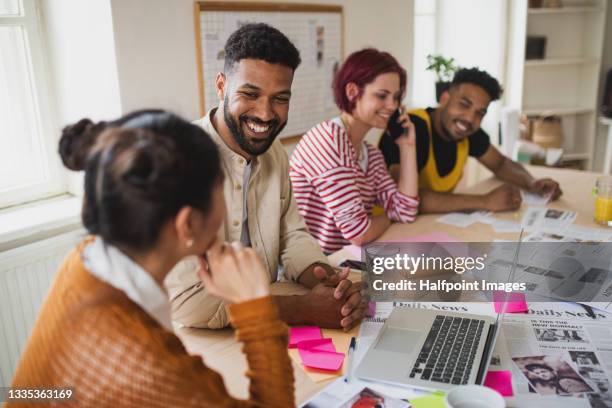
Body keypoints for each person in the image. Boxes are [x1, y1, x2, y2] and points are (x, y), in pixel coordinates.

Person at [9, 110, 295, 407]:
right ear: (187, 224)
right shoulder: (147, 364)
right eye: (220, 190)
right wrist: (255, 310)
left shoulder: (86, 259)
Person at [165, 23, 366, 330]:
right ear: (221, 86)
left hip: (267, 328)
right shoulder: (175, 161)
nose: (265, 113)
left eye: (280, 98)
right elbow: (190, 304)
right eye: (250, 93)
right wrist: (303, 308)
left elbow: (292, 235)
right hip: (196, 342)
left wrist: (326, 281)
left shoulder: (273, 153)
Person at [378, 67, 562, 213]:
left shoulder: (468, 131)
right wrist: (484, 201)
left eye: (479, 113)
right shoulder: (411, 128)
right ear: (444, 98)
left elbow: (500, 164)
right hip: (384, 233)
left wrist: (532, 183)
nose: (469, 118)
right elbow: (406, 198)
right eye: (464, 104)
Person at [289, 48, 419, 253]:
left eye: (396, 97)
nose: (392, 106)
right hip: (307, 268)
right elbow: (359, 234)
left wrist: (407, 146)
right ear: (352, 92)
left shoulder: (371, 155)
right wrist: (388, 216)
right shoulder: (328, 140)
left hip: (343, 265)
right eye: (382, 96)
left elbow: (406, 211)